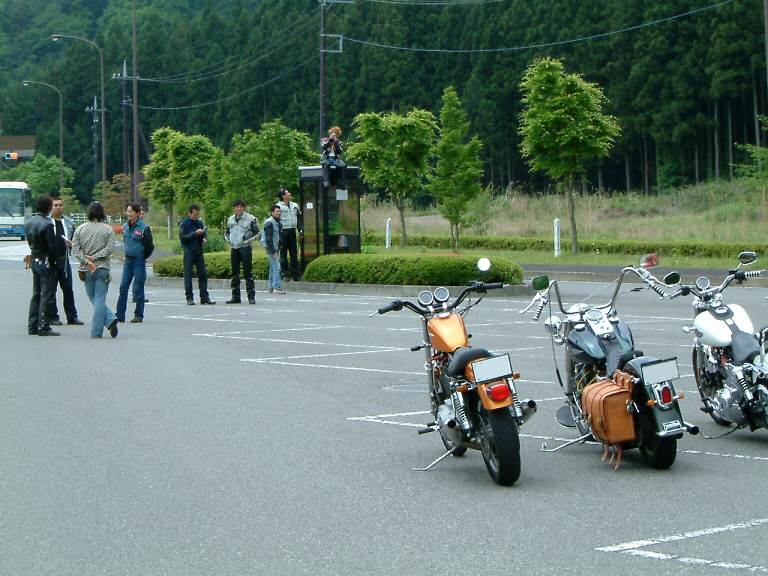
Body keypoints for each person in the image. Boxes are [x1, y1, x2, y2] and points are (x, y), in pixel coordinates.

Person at [70, 202, 119, 339]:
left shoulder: (80, 229)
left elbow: (75, 249)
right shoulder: (108, 230)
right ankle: (105, 323)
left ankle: (104, 325)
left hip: (86, 269)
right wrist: (96, 257)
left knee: (93, 297)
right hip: (102, 267)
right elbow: (109, 249)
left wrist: (87, 261)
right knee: (100, 299)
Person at [26, 194, 60, 336]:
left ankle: (32, 325)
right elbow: (52, 247)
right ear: (49, 207)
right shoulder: (47, 224)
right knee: (47, 294)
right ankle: (44, 326)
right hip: (45, 261)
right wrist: (56, 263)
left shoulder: (29, 223)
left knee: (36, 293)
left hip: (34, 258)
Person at [116, 202, 154, 323]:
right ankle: (120, 314)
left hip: (138, 260)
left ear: (137, 213)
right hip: (128, 260)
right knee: (123, 287)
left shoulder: (144, 228)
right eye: (127, 211)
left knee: (138, 288)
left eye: (131, 211)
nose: (129, 214)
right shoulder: (125, 226)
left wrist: (144, 256)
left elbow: (149, 245)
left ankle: (138, 314)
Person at [49, 196, 82, 326]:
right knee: (51, 290)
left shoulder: (68, 222)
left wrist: (71, 244)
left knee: (68, 289)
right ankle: (53, 316)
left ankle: (72, 316)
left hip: (64, 259)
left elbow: (76, 240)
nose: (58, 208)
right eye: (55, 205)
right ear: (51, 207)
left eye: (60, 205)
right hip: (51, 261)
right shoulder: (47, 222)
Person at [179, 204, 216, 306]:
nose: (196, 216)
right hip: (189, 250)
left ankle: (204, 297)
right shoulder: (184, 224)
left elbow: (203, 234)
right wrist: (195, 233)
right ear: (190, 213)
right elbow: (183, 238)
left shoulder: (199, 222)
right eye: (194, 214)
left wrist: (204, 238)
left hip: (199, 250)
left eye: (197, 214)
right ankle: (189, 298)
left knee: (203, 274)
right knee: (188, 275)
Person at [225, 198, 259, 304]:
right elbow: (227, 232)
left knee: (248, 273)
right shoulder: (230, 219)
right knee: (235, 273)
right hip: (234, 248)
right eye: (237, 207)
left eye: (241, 207)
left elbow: (257, 232)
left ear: (243, 208)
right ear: (234, 208)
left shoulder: (250, 219)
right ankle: (235, 296)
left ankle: (251, 296)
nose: (239, 209)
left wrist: (246, 240)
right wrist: (229, 240)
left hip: (245, 248)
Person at [277, 188, 303, 282]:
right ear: (283, 196)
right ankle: (285, 274)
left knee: (294, 253)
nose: (289, 194)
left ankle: (296, 274)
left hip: (292, 231)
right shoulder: (278, 206)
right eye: (287, 193)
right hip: (283, 231)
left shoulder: (294, 205)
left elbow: (299, 219)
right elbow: (277, 221)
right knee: (283, 254)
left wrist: (300, 230)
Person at [261, 204, 284, 294]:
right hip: (271, 248)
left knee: (273, 267)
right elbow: (268, 238)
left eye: (279, 211)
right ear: (272, 212)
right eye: (277, 211)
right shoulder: (269, 223)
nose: (279, 213)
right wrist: (273, 251)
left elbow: (277, 235)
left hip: (275, 246)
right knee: (277, 267)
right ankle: (276, 287)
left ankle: (271, 287)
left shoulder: (276, 222)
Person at [320, 125, 348, 190]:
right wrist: (329, 140)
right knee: (326, 164)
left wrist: (336, 142)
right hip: (327, 158)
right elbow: (324, 147)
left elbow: (339, 151)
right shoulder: (325, 140)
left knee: (343, 166)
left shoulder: (339, 142)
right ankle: (326, 181)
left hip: (335, 159)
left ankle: (344, 183)